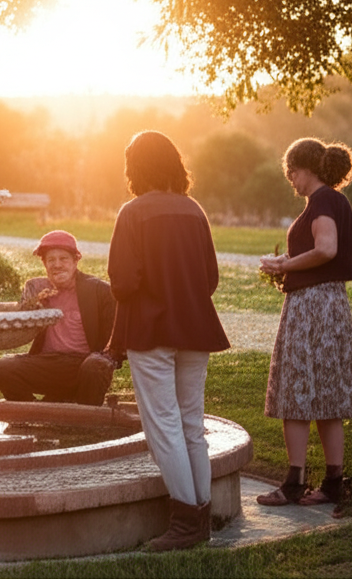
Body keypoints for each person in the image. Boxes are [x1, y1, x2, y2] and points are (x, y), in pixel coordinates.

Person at [107, 131, 230, 552]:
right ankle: (202, 516)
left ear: (135, 167)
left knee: (164, 426)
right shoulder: (195, 211)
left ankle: (184, 521)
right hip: (195, 329)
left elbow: (123, 283)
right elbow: (210, 278)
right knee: (192, 425)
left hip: (151, 331)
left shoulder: (132, 213)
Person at [256, 137, 352, 512]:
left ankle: (293, 484)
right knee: (328, 393)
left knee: (296, 391)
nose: (291, 180)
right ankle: (333, 483)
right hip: (329, 303)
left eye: (292, 172)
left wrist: (285, 265)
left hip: (312, 305)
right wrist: (287, 261)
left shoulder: (321, 200)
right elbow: (322, 253)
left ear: (306, 168)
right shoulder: (334, 200)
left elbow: (327, 249)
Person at [0, 230, 117, 406]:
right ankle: (34, 415)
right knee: (1, 368)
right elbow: (19, 326)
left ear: (75, 260)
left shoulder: (99, 290)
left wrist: (106, 358)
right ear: (45, 264)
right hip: (48, 363)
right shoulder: (41, 290)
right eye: (51, 260)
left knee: (94, 366)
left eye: (63, 259)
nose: (57, 265)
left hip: (83, 363)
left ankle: (86, 423)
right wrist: (30, 302)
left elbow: (115, 338)